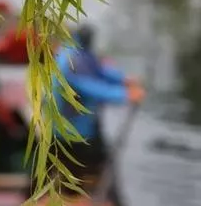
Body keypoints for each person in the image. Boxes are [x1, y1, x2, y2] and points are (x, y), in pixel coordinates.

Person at [51, 24, 145, 189]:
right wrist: (124, 94)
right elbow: (90, 86)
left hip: (82, 126)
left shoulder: (78, 51)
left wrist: (123, 79)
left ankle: (85, 187)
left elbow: (96, 69)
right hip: (70, 131)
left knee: (95, 161)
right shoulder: (70, 62)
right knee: (85, 162)